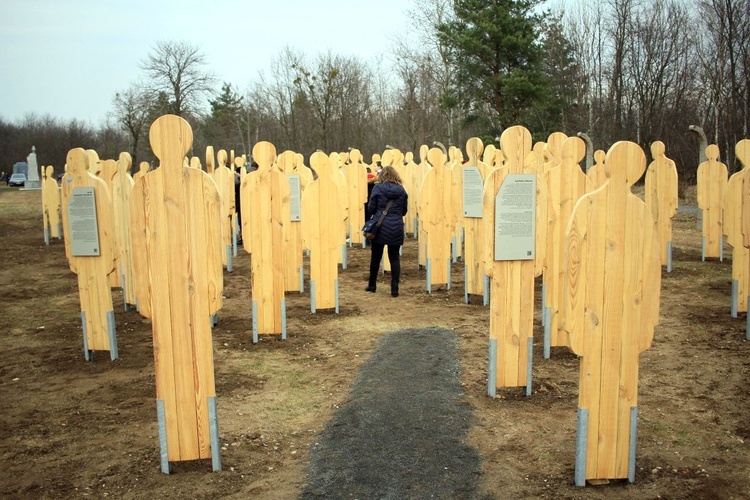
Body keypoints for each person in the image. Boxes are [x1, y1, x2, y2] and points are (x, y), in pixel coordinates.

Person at [365, 165, 408, 297]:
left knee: (376, 257)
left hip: (380, 226)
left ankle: (372, 285)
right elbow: (404, 211)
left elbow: (371, 208)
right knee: (394, 258)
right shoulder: (401, 190)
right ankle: (394, 290)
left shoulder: (377, 188)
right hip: (396, 226)